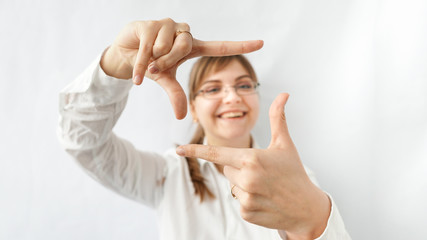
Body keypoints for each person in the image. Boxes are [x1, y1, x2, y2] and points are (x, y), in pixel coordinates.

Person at [58, 18, 351, 239]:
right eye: (213, 89)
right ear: (194, 108)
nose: (232, 97)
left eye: (244, 85)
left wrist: (314, 220)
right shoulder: (166, 174)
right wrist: (114, 66)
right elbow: (84, 145)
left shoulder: (292, 176)